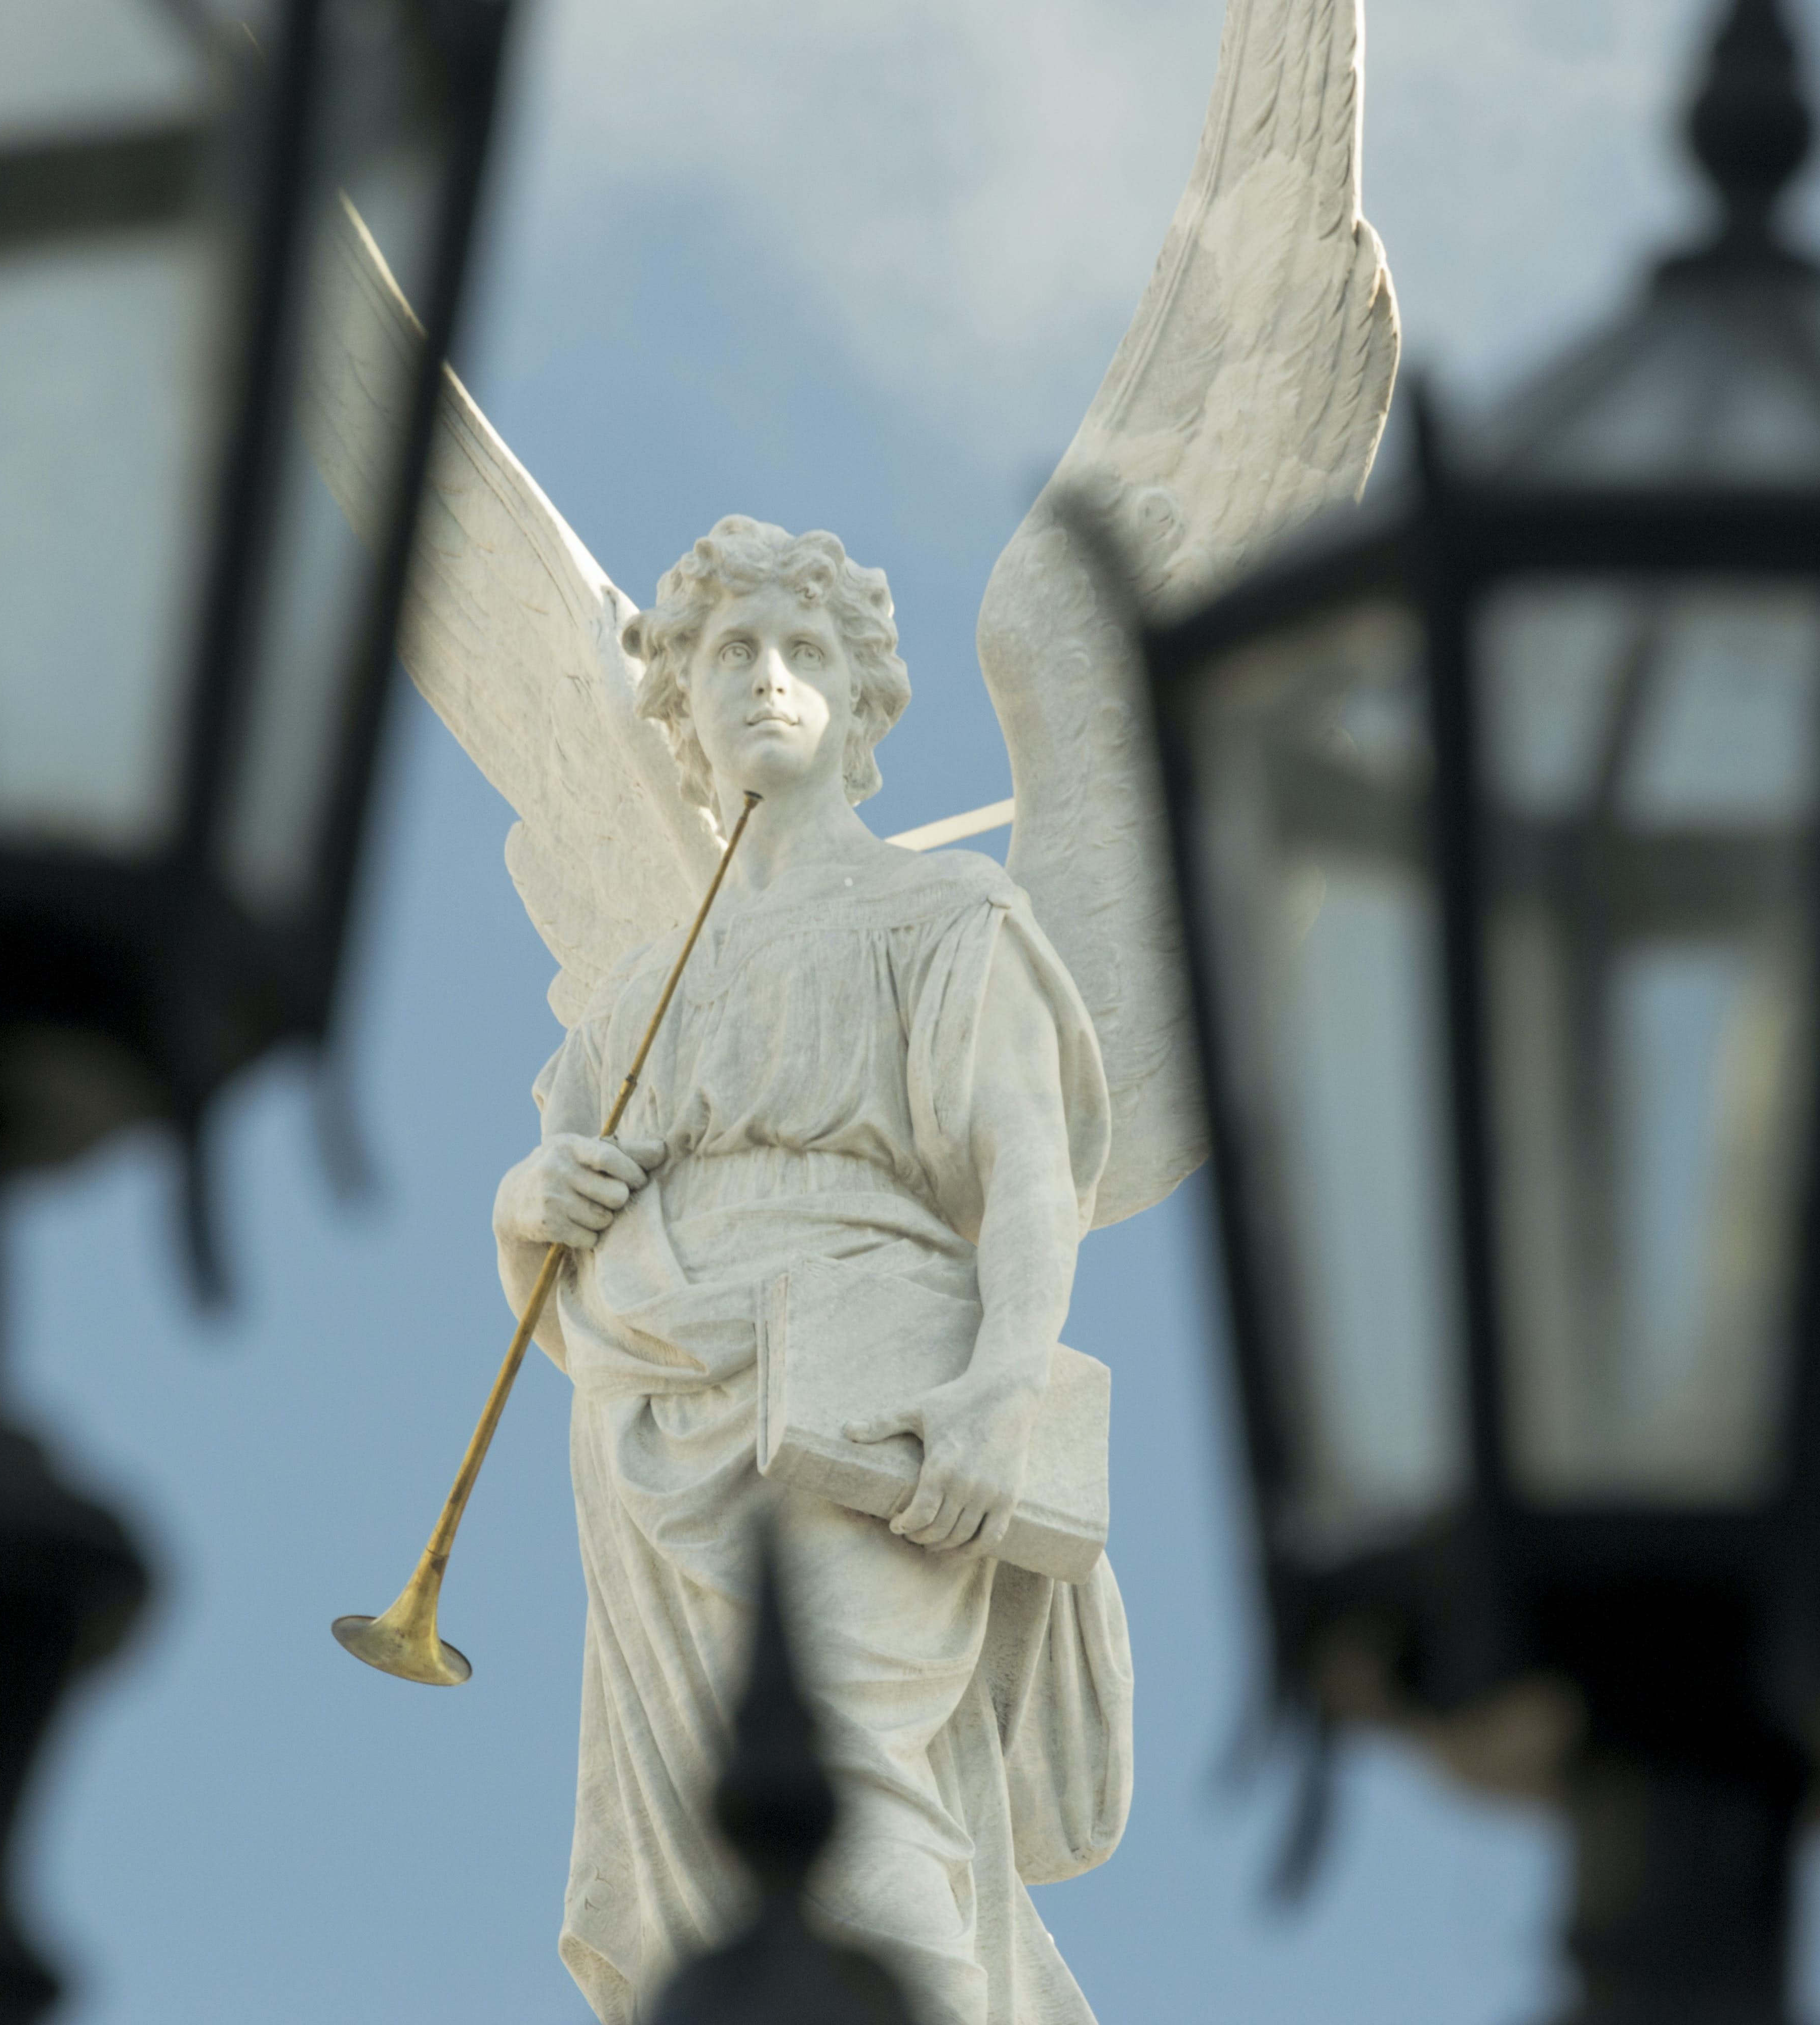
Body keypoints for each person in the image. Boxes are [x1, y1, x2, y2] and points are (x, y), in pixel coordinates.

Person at [492, 516, 1132, 2025]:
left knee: (848, 1776)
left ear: (862, 701)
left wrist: (1001, 1388)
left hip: (871, 1380)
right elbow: (557, 1250)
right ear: (682, 702)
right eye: (732, 653)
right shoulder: (632, 998)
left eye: (806, 651)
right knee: (712, 1833)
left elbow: (1030, 1175)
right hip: (655, 1413)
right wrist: (527, 1205)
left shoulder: (945, 913)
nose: (768, 679)